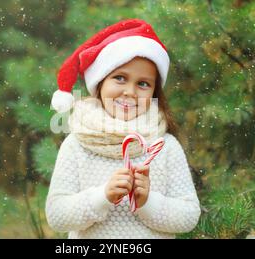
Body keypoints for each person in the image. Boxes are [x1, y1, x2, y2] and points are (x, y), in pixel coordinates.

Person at [46, 19, 200, 239]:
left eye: (143, 83)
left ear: (154, 92)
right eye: (119, 78)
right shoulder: (77, 144)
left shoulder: (164, 146)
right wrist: (102, 197)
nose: (130, 91)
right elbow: (57, 216)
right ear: (100, 83)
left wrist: (148, 202)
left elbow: (188, 217)